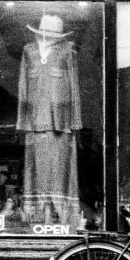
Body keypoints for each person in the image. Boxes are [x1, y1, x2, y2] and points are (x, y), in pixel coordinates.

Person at [16, 14, 83, 229]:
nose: (50, 37)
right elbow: (23, 86)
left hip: (60, 122)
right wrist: (23, 121)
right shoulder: (28, 50)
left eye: (54, 34)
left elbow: (73, 86)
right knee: (37, 168)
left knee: (60, 168)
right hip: (35, 120)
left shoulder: (67, 50)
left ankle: (60, 217)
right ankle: (38, 215)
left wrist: (74, 121)